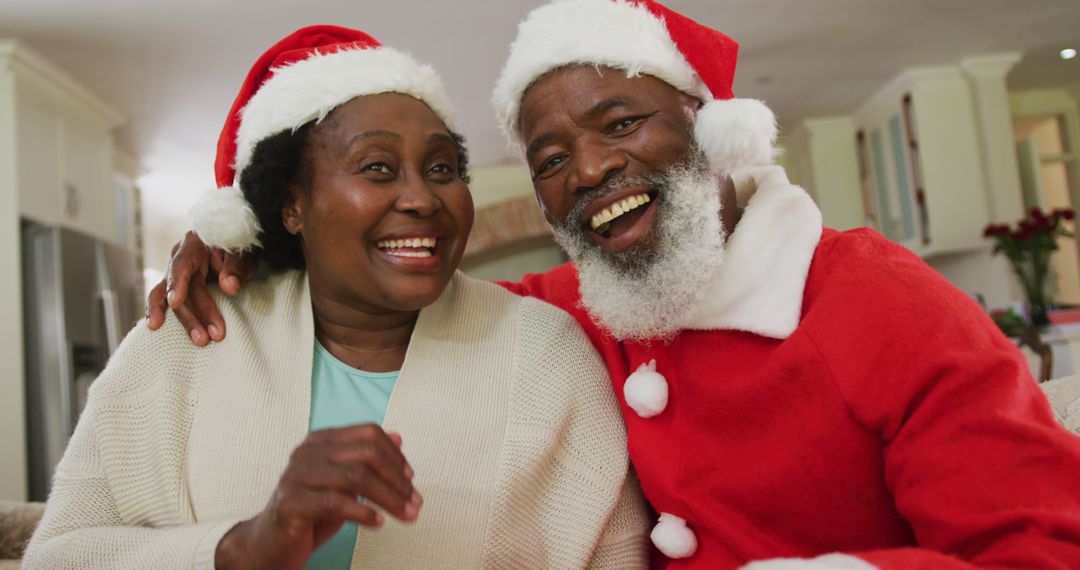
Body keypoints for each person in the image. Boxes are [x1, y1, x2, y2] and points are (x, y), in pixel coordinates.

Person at [150, 1, 1080, 568]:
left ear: (710, 128)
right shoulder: (568, 311)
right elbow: (392, 290)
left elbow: (1045, 550)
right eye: (550, 157)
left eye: (622, 122)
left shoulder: (882, 302)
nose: (588, 169)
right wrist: (247, 245)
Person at [24, 24, 648, 570]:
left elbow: (616, 556)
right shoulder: (193, 339)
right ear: (293, 204)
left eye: (441, 169)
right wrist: (241, 550)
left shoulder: (544, 352)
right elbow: (58, 555)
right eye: (377, 167)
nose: (423, 197)